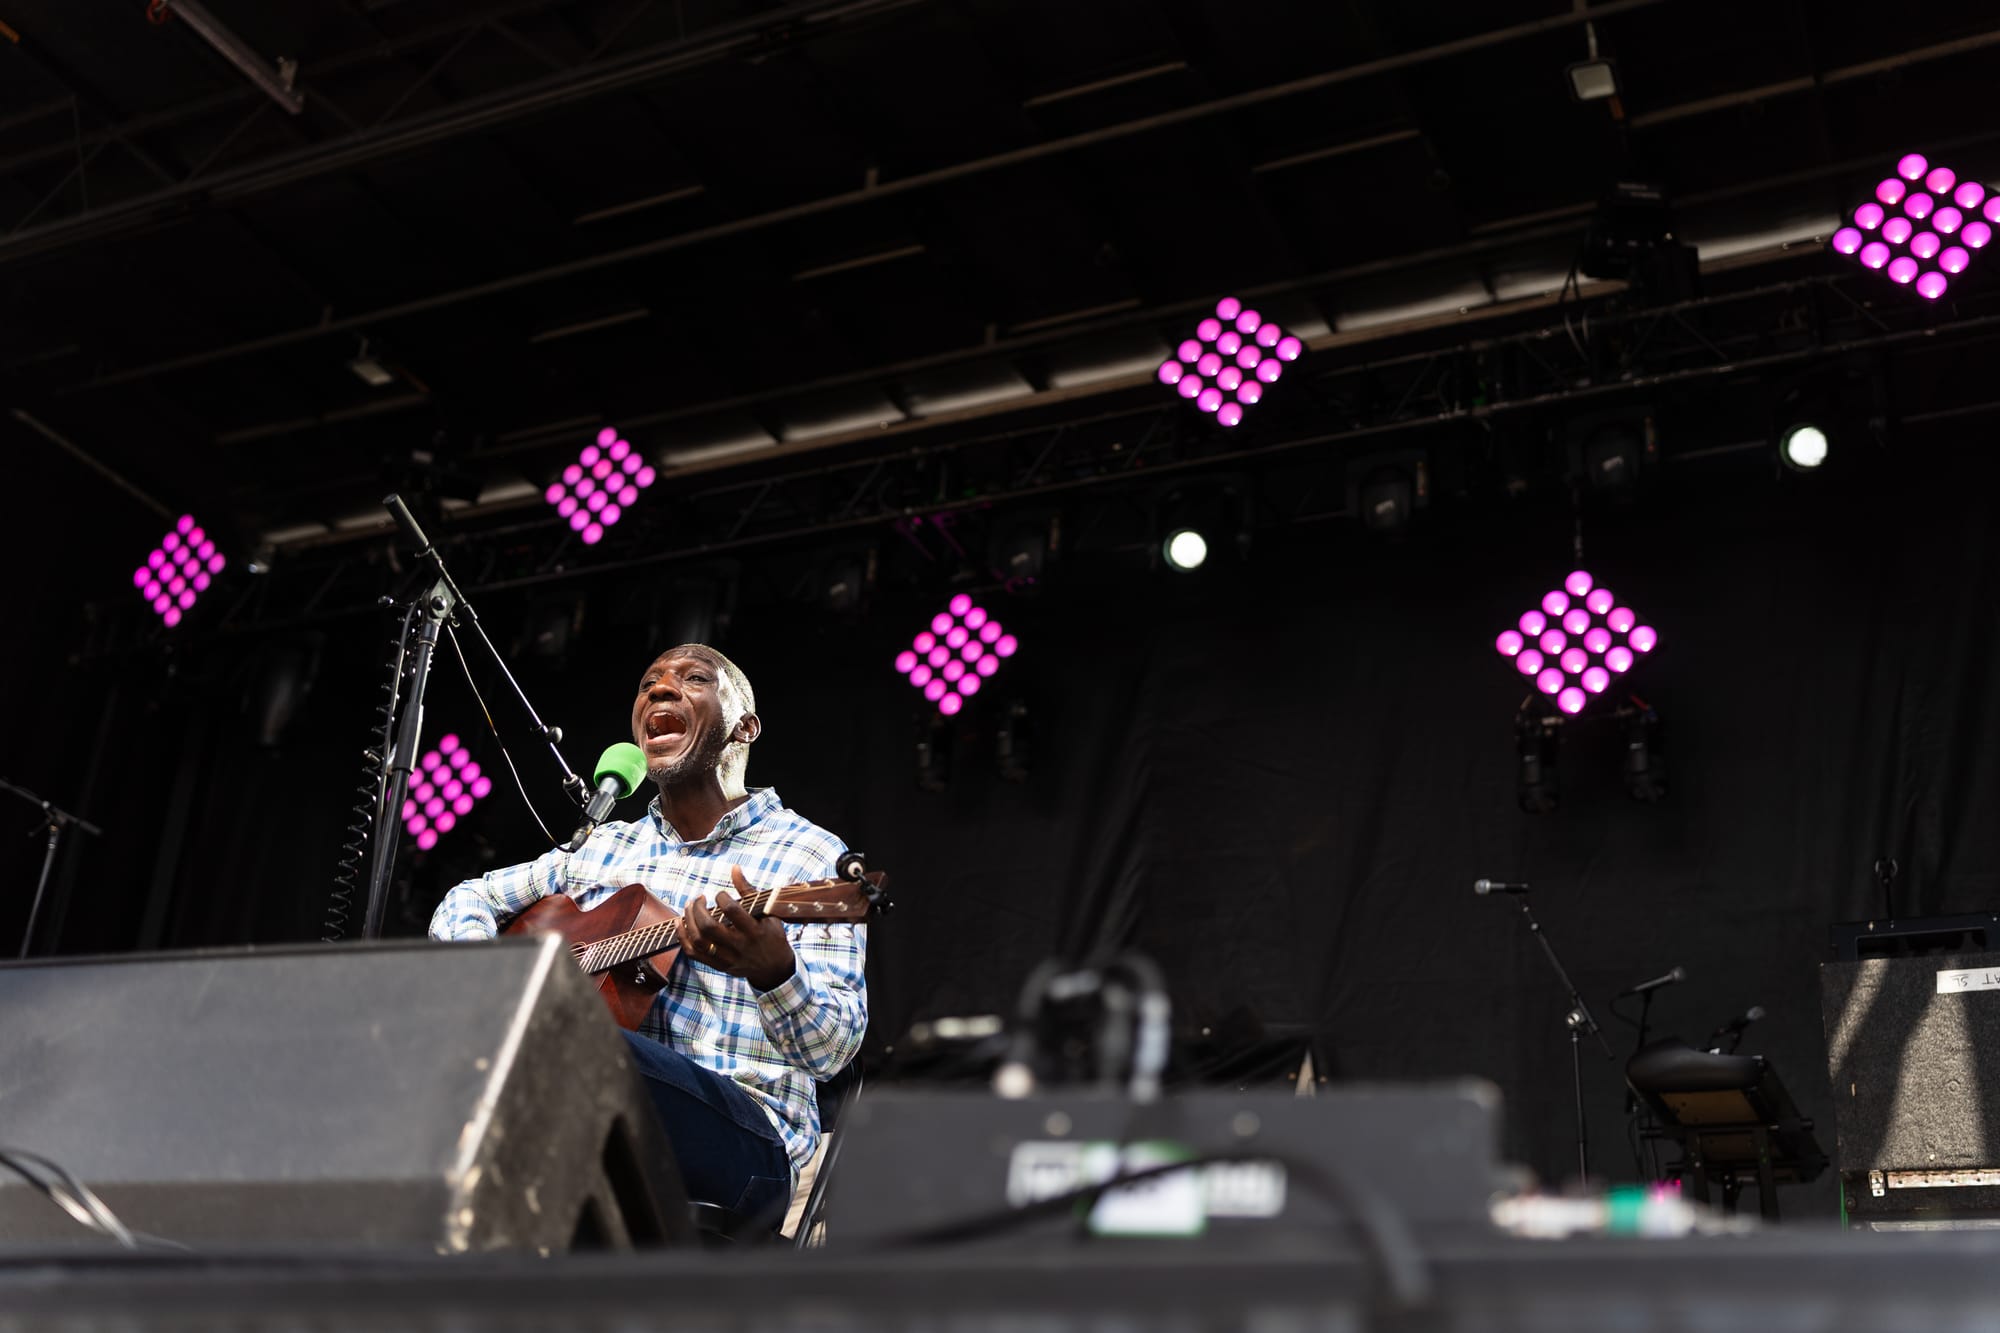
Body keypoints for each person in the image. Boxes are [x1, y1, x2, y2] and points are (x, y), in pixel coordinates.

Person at [429, 644, 864, 1223]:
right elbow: (469, 898)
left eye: (693, 679)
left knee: (570, 1045)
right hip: (588, 1110)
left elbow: (832, 1050)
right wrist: (503, 984)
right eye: (649, 682)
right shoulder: (601, 846)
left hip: (747, 1139)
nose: (660, 689)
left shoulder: (811, 856)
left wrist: (774, 973)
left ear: (745, 727)